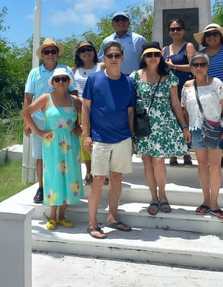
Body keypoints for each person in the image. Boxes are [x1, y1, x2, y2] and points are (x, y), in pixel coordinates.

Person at [82, 41, 136, 239]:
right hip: (99, 138)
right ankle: (92, 223)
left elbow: (130, 112)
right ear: (104, 59)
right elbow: (85, 108)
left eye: (117, 55)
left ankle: (112, 217)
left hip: (122, 137)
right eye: (110, 56)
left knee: (117, 177)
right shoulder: (94, 80)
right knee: (97, 179)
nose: (113, 59)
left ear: (122, 58)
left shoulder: (129, 82)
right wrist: (85, 135)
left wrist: (131, 137)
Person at [21, 68, 84, 229]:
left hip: (71, 144)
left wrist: (80, 127)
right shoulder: (45, 98)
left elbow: (84, 116)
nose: (61, 82)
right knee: (54, 176)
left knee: (69, 177)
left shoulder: (75, 100)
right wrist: (37, 131)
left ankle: (63, 216)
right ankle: (52, 216)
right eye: (58, 79)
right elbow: (26, 113)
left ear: (69, 81)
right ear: (53, 82)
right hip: (52, 144)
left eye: (64, 79)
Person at [132, 42, 189, 215]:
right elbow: (131, 103)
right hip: (143, 124)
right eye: (149, 55)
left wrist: (183, 125)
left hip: (163, 124)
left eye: (156, 54)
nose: (152, 58)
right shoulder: (135, 76)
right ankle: (153, 198)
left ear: (161, 57)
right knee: (147, 162)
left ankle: (163, 195)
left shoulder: (168, 75)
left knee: (158, 161)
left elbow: (175, 102)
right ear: (144, 57)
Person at [24, 38, 77, 204]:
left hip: (63, 122)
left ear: (57, 53)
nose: (50, 54)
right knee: (41, 156)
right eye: (46, 52)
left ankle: (62, 188)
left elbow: (74, 95)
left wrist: (77, 123)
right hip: (40, 120)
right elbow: (28, 98)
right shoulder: (34, 73)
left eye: (53, 51)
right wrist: (27, 123)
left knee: (63, 157)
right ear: (42, 55)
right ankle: (42, 187)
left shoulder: (65, 70)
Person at [181, 52, 223, 220]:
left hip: (214, 127)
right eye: (195, 65)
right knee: (202, 165)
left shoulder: (216, 83)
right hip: (196, 128)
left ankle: (215, 203)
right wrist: (185, 128)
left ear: (208, 66)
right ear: (191, 68)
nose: (199, 68)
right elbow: (184, 109)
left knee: (215, 165)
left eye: (203, 64)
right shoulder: (187, 86)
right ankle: (206, 200)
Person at [194, 23, 223, 168]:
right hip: (208, 94)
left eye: (215, 34)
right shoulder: (202, 54)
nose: (212, 37)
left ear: (220, 36)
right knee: (213, 124)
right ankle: (218, 155)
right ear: (204, 38)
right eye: (209, 35)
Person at [163, 18, 196, 167]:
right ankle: (173, 152)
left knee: (184, 118)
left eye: (178, 28)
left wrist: (174, 66)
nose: (175, 31)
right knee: (172, 120)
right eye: (172, 29)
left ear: (183, 30)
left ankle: (186, 152)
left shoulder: (188, 46)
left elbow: (194, 67)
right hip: (169, 88)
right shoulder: (164, 49)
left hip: (184, 86)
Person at [72, 40, 102, 184]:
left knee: (101, 141)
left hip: (99, 110)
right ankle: (89, 171)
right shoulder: (73, 70)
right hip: (80, 110)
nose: (86, 52)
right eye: (82, 50)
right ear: (78, 54)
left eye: (89, 49)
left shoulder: (102, 66)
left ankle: (102, 172)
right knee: (85, 140)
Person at [98, 11, 147, 75]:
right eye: (117, 20)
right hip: (112, 78)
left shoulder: (139, 39)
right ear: (112, 24)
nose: (120, 22)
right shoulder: (107, 41)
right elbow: (100, 60)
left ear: (129, 23)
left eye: (124, 19)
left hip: (134, 78)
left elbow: (149, 57)